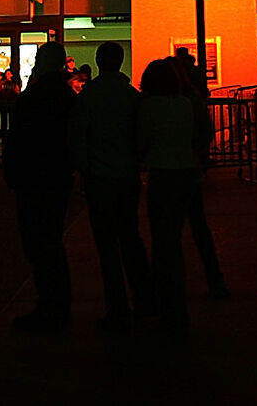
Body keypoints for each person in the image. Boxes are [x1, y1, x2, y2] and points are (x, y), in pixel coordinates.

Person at [71, 40, 153, 329]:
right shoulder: (131, 96)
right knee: (131, 237)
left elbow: (80, 138)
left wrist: (83, 170)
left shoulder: (88, 96)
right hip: (126, 176)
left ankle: (117, 307)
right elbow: (141, 135)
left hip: (100, 177)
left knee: (106, 245)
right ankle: (144, 299)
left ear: (97, 60)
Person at [5, 41, 76, 331]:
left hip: (34, 177)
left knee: (40, 240)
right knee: (51, 238)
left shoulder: (35, 95)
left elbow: (19, 136)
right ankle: (56, 302)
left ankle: (50, 303)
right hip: (57, 175)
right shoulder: (66, 96)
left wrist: (13, 170)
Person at [137, 56, 199, 331]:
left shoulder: (149, 107)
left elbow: (142, 140)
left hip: (162, 172)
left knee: (163, 242)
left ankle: (167, 306)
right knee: (173, 239)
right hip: (185, 172)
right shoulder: (184, 105)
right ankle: (177, 308)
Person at [172, 47, 229, 299]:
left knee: (167, 232)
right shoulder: (192, 99)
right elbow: (203, 131)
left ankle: (170, 286)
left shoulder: (158, 103)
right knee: (199, 227)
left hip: (166, 172)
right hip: (188, 168)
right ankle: (214, 280)